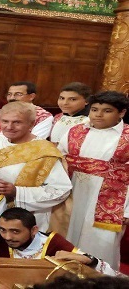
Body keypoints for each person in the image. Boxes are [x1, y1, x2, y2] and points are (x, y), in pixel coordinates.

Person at [58, 91, 129, 270]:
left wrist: (127, 210)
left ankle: (100, 279)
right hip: (73, 191)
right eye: (95, 109)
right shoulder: (74, 132)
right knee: (68, 236)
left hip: (110, 199)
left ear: (121, 113)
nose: (98, 114)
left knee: (100, 243)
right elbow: (60, 160)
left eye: (107, 111)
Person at [0, 101, 72, 233]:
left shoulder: (44, 151)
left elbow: (61, 190)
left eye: (17, 122)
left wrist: (17, 192)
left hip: (28, 217)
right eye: (5, 121)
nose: (9, 127)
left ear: (31, 124)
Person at [0, 208, 117, 275]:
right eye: (3, 230)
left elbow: (109, 274)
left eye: (15, 232)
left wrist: (89, 260)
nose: (7, 237)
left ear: (34, 230)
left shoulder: (53, 243)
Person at [0, 81, 53, 158]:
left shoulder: (44, 116)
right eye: (9, 94)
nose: (12, 98)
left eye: (18, 94)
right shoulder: (0, 112)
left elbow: (35, 142)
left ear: (31, 96)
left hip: (23, 157)